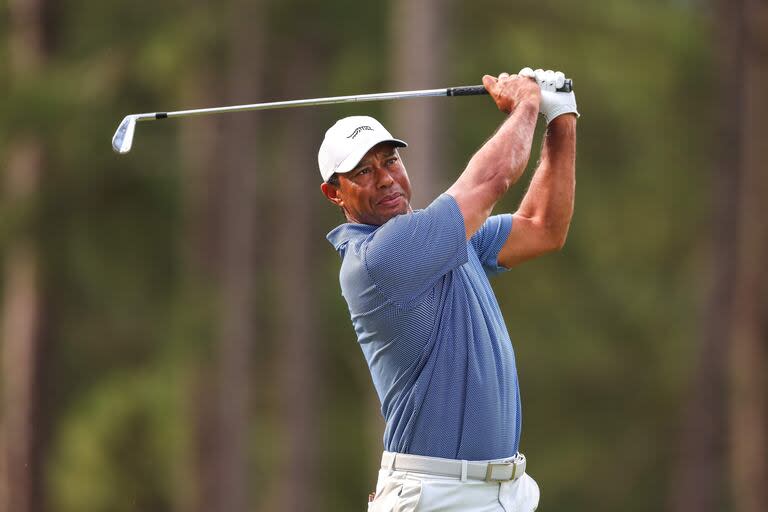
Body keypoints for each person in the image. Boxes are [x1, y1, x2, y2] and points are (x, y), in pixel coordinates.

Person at [319, 68, 578, 512]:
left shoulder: (446, 239)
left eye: (390, 161)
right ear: (334, 194)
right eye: (362, 171)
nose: (384, 179)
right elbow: (491, 179)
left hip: (507, 492)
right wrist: (529, 104)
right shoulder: (379, 259)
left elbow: (543, 228)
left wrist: (562, 120)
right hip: (437, 495)